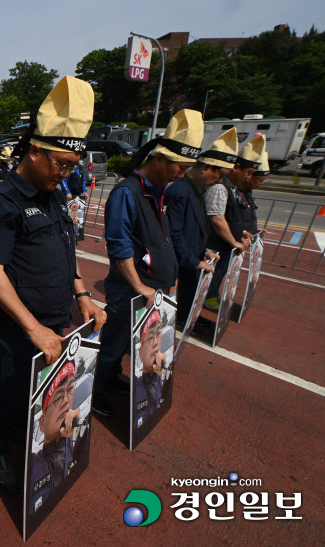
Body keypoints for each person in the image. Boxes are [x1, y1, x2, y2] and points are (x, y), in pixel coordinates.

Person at [0, 75, 105, 493]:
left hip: (54, 317)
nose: (65, 174)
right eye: (60, 164)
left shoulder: (53, 195)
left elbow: (67, 253)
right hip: (18, 326)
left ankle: (19, 430)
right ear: (34, 151)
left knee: (43, 388)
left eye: (72, 166)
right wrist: (34, 329)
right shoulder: (1, 201)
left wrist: (82, 294)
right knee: (12, 390)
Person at [92, 109, 203, 418]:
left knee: (129, 344)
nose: (181, 176)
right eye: (178, 168)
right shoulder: (127, 192)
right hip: (132, 290)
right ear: (159, 160)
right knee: (113, 342)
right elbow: (119, 246)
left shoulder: (157, 192)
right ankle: (95, 392)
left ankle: (110, 377)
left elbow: (161, 239)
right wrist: (139, 285)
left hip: (154, 289)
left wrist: (173, 277)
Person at [165, 128, 236, 328]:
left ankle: (187, 319)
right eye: (220, 175)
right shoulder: (180, 190)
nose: (220, 181)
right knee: (177, 299)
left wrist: (203, 252)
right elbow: (175, 232)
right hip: (180, 261)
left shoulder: (197, 190)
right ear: (206, 167)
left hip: (191, 258)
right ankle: (181, 322)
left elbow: (194, 229)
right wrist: (192, 260)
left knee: (188, 297)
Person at [203, 135, 263, 310]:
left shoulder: (230, 188)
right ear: (236, 167)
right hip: (216, 245)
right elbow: (217, 219)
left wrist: (242, 233)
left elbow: (231, 217)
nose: (248, 177)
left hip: (225, 246)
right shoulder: (220, 187)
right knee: (209, 277)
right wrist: (234, 241)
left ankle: (208, 297)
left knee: (218, 274)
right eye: (249, 173)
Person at [28, 362, 81, 513]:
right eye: (58, 397)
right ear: (42, 422)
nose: (66, 400)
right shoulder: (33, 465)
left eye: (70, 389)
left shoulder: (74, 443)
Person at [133, 310, 165, 427]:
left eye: (159, 334)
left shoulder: (159, 378)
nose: (156, 342)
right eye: (150, 337)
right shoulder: (137, 387)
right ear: (140, 353)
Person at [234, 150, 268, 235]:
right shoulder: (234, 192)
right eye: (261, 180)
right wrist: (242, 232)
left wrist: (253, 229)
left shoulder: (247, 192)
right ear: (250, 177)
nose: (262, 183)